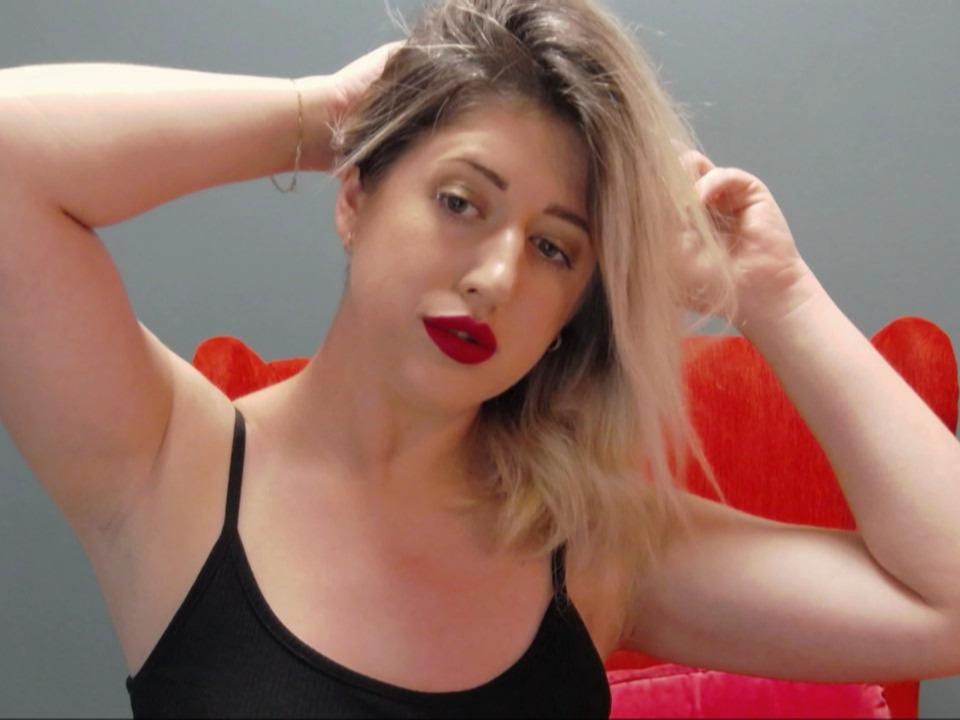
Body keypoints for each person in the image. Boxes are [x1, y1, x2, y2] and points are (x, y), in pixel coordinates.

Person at [1, 0, 958, 716]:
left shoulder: (589, 544)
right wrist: (321, 111)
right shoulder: (169, 465)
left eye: (554, 247)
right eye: (460, 201)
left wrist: (774, 293)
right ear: (355, 196)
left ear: (572, 308)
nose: (497, 276)